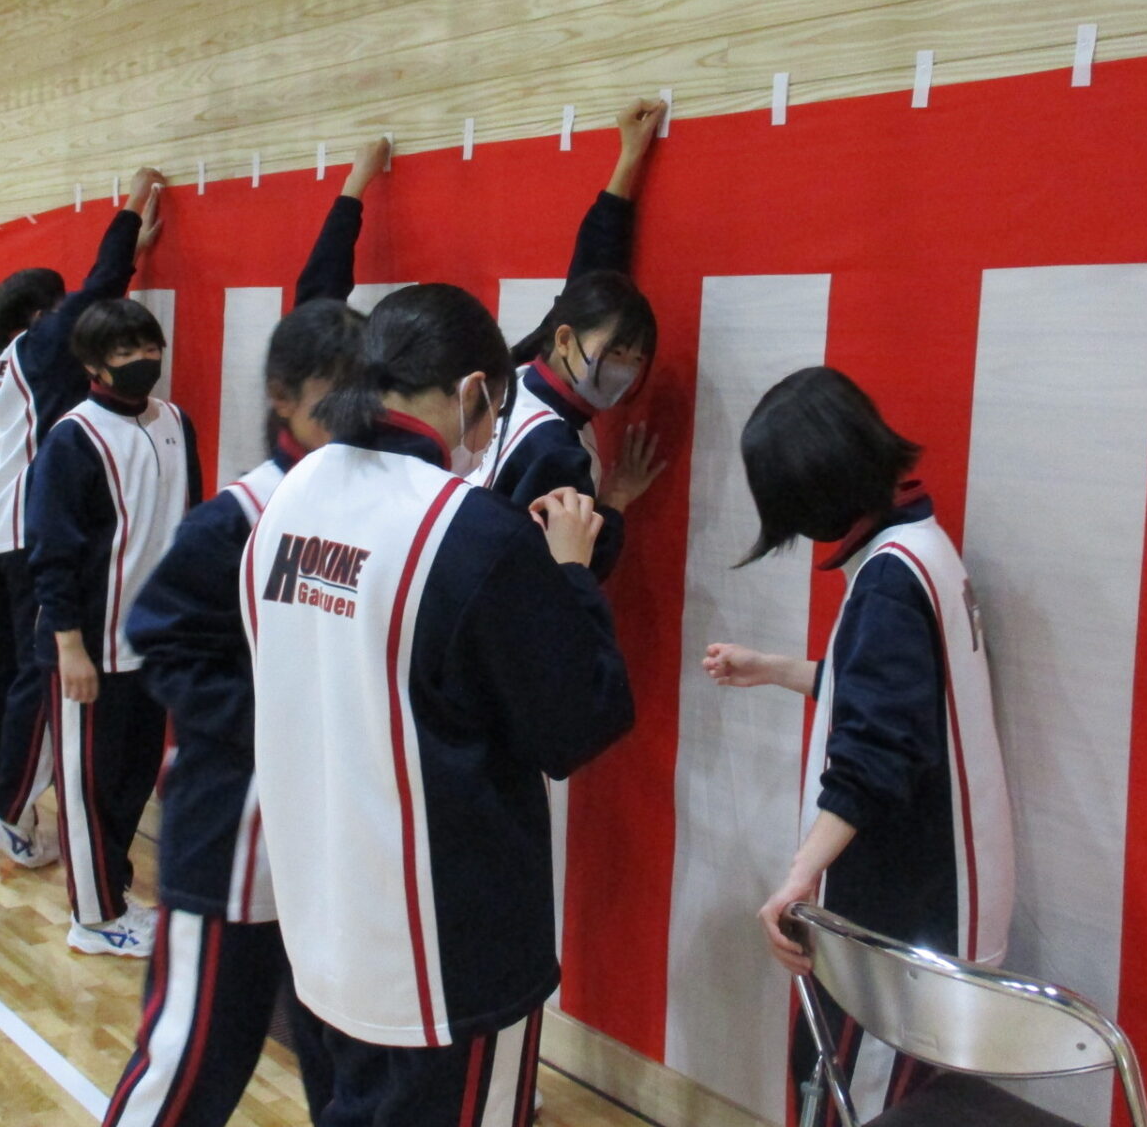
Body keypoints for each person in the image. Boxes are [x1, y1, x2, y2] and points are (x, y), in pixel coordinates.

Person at [244, 284, 633, 1127]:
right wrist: (571, 572)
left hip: (322, 916)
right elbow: (578, 721)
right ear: (473, 390)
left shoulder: (286, 497)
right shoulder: (471, 529)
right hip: (441, 949)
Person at [103, 137, 388, 1125]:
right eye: (330, 398)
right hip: (233, 838)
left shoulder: (384, 510)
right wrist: (273, 717)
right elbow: (161, 639)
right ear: (283, 403)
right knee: (191, 1062)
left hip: (336, 855)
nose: (352, 414)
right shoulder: (237, 519)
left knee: (347, 1082)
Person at [702, 367, 1014, 1120]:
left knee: (850, 1098)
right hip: (938, 910)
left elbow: (878, 754)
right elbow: (896, 700)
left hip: (901, 920)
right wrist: (775, 669)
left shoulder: (888, 581)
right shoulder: (924, 546)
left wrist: (797, 878)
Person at [0, 169, 164, 868]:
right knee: (35, 681)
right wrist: (130, 211)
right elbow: (100, 287)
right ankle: (7, 810)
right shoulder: (44, 346)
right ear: (43, 315)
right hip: (25, 528)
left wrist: (134, 257)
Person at [26, 297, 201, 957]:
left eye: (150, 347)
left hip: (156, 644)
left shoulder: (175, 422)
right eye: (125, 352)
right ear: (94, 365)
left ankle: (115, 894)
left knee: (131, 781)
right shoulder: (73, 437)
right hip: (90, 649)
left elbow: (190, 524)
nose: (143, 360)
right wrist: (69, 646)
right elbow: (52, 551)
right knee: (88, 786)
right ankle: (94, 919)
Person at [472, 99, 670, 578]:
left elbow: (592, 268)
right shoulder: (558, 451)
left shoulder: (515, 374)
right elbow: (576, 574)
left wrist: (628, 157)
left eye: (635, 360)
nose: (623, 372)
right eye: (614, 353)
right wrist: (615, 501)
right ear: (564, 339)